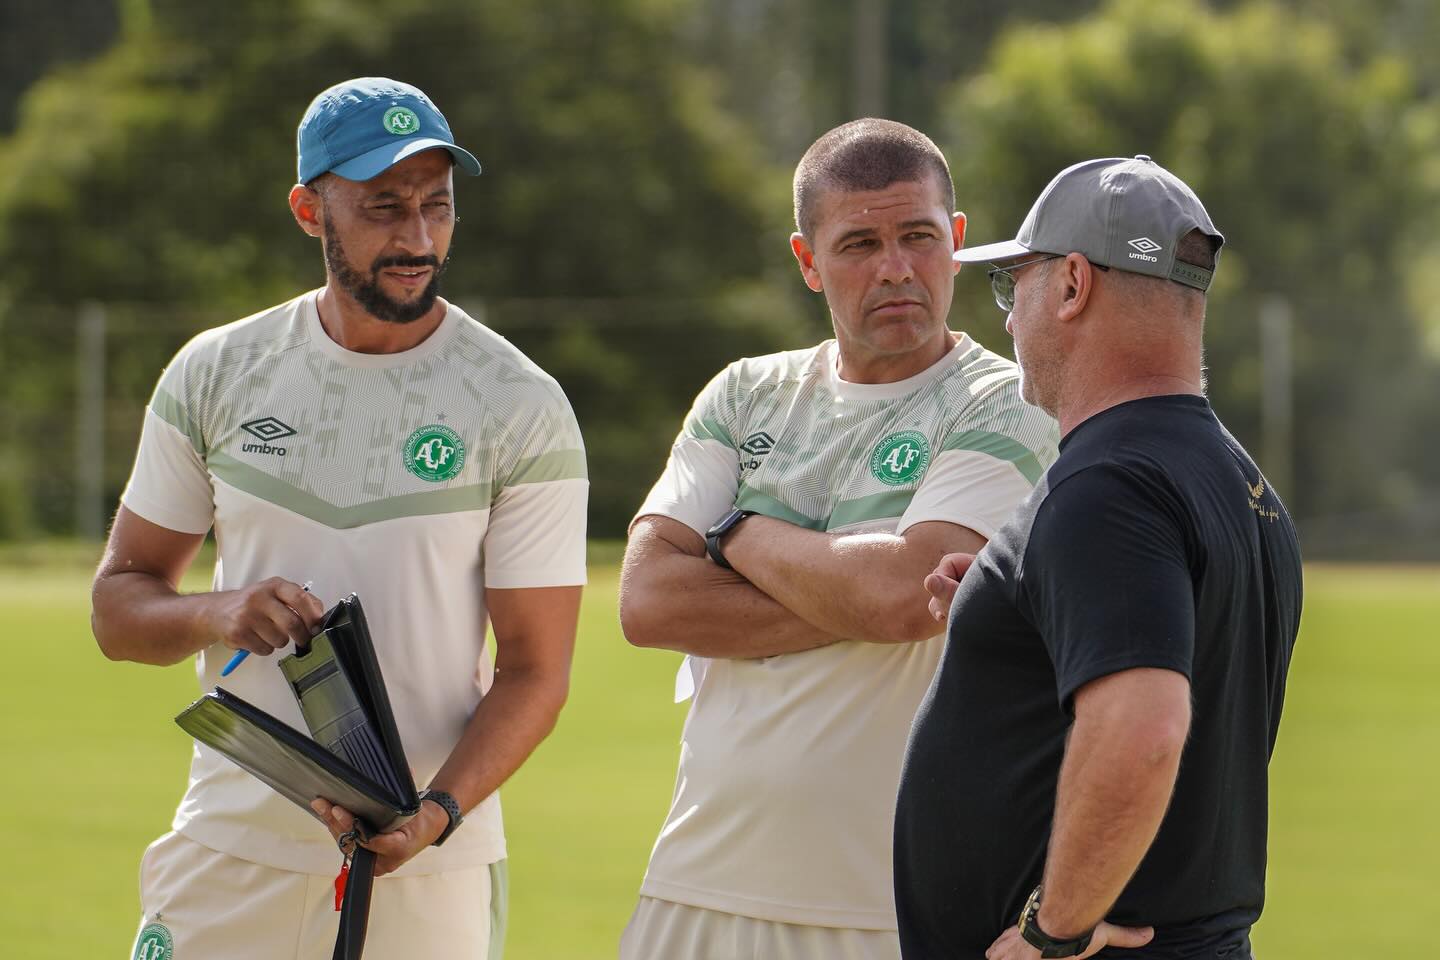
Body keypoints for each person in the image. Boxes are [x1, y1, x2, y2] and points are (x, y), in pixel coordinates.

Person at [91, 77, 587, 960]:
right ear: (308, 210)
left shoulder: (519, 402)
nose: (418, 237)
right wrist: (217, 611)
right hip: (226, 850)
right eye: (384, 207)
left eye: (437, 206)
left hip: (426, 867)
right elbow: (119, 608)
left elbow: (535, 672)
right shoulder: (216, 372)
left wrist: (434, 817)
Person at [617, 118, 1059, 960]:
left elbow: (904, 594)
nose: (895, 267)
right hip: (696, 884)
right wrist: (852, 585)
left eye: (918, 237)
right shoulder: (745, 394)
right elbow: (646, 601)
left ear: (957, 242)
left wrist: (734, 531)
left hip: (887, 905)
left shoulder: (1006, 401)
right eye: (858, 243)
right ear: (807, 259)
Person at [893, 156, 1304, 960]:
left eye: (1016, 286)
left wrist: (1054, 929)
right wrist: (1022, 602)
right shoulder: (1236, 480)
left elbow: (1144, 729)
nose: (1008, 320)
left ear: (1074, 284)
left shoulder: (1107, 487)